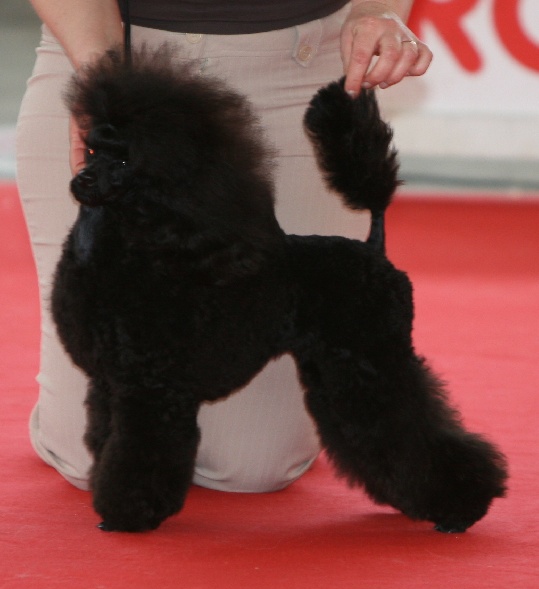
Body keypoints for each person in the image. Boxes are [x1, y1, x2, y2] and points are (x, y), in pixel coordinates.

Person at [17, 0, 432, 493]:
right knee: (87, 458)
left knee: (252, 468)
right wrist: (104, 84)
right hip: (102, 48)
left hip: (290, 63)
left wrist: (375, 8)